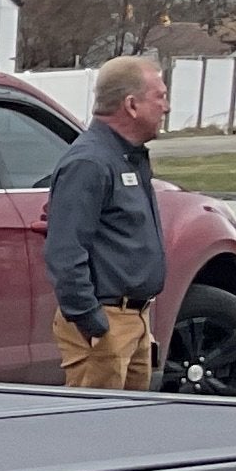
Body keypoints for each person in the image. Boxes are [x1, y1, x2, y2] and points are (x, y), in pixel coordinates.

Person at [45, 54, 169, 389]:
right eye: (159, 97)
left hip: (134, 320)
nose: (166, 107)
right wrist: (93, 322)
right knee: (92, 419)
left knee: (128, 419)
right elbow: (65, 252)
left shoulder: (127, 158)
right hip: (105, 321)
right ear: (131, 105)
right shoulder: (90, 163)